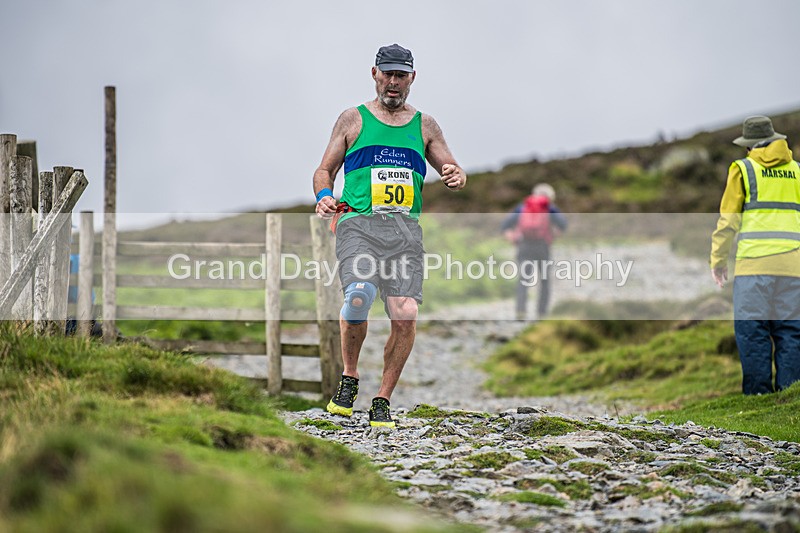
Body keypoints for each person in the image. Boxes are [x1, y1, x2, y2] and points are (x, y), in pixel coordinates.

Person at [313, 44, 467, 428]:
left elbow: (450, 164)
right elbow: (323, 171)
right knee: (360, 293)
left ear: (412, 78)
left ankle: (382, 400)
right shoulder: (353, 119)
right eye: (388, 74)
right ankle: (349, 377)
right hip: (358, 224)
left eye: (401, 75)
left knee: (406, 312)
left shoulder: (425, 126)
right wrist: (324, 196)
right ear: (375, 73)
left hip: (404, 231)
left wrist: (454, 174)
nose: (393, 82)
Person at [710, 115, 800, 395]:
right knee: (791, 331)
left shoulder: (743, 169)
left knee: (753, 331)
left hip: (754, 266)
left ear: (750, 146)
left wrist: (718, 260)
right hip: (793, 267)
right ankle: (790, 395)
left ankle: (758, 395)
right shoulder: (797, 170)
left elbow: (728, 221)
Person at [501, 183, 567, 321]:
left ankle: (520, 312)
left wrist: (512, 237)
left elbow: (505, 225)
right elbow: (563, 224)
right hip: (542, 247)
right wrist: (554, 234)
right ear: (550, 196)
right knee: (544, 281)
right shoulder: (549, 208)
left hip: (524, 245)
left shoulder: (523, 207)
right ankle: (541, 313)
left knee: (524, 280)